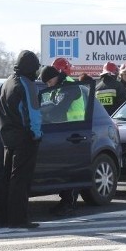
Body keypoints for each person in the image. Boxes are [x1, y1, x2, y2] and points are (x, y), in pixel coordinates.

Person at [0, 50, 43, 229]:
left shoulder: (7, 83)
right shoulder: (27, 84)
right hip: (25, 138)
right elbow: (34, 113)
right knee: (21, 180)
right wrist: (36, 134)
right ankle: (18, 219)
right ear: (31, 68)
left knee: (7, 178)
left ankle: (4, 217)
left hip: (8, 138)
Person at [39, 65, 86, 215]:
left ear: (54, 77)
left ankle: (70, 202)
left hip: (74, 132)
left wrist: (44, 114)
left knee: (71, 169)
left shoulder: (69, 86)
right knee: (65, 168)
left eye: (48, 82)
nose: (48, 85)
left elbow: (59, 109)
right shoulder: (59, 87)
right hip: (65, 131)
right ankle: (65, 200)